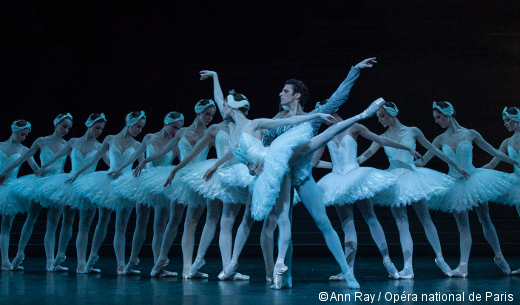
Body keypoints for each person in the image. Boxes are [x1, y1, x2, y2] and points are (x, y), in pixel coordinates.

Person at [310, 103, 422, 280]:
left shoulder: (353, 126)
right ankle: (348, 269)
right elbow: (314, 162)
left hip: (356, 176)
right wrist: (331, 165)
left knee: (370, 217)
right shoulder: (325, 135)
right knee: (347, 223)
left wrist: (407, 148)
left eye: (324, 114)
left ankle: (387, 259)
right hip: (337, 179)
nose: (322, 119)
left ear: (334, 111)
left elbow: (381, 140)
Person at [358, 101, 468, 278]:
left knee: (425, 217)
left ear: (392, 113)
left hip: (413, 178)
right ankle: (408, 266)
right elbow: (367, 154)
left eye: (382, 116)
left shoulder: (412, 131)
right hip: (394, 180)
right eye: (378, 117)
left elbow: (434, 150)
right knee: (401, 223)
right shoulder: (382, 137)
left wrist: (456, 166)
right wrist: (348, 165)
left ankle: (440, 258)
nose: (380, 120)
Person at [418, 101, 519, 277]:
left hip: (473, 181)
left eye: (439, 117)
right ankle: (463, 266)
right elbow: (424, 160)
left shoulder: (470, 134)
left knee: (485, 219)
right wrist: (404, 165)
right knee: (463, 225)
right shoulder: (440, 139)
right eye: (435, 118)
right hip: (455, 185)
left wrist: (516, 162)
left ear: (448, 114)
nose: (437, 121)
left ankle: (499, 256)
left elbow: (495, 153)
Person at [132, 100, 216, 278]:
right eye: (207, 114)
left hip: (200, 180)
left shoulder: (211, 133)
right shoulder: (183, 132)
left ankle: (187, 267)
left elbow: (226, 148)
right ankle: (161, 258)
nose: (209, 118)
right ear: (198, 113)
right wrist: (146, 160)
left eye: (212, 115)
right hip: (182, 179)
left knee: (191, 222)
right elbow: (165, 150)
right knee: (174, 219)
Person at [68, 111, 146, 275]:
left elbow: (141, 167)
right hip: (108, 183)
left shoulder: (139, 145)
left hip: (126, 184)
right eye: (138, 126)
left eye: (141, 127)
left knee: (121, 226)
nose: (140, 130)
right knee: (102, 220)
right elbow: (93, 158)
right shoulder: (110, 139)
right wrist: (77, 173)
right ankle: (90, 260)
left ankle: (121, 265)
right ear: (130, 123)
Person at [108, 111, 184, 277]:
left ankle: (158, 265)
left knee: (160, 225)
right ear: (166, 122)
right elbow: (136, 156)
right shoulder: (149, 137)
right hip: (146, 182)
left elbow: (183, 160)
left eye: (178, 128)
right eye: (174, 127)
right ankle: (132, 260)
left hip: (163, 185)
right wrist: (120, 168)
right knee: (141, 222)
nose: (175, 131)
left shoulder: (175, 144)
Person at [34, 113, 108, 272]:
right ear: (89, 125)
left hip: (89, 186)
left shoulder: (99, 146)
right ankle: (59, 255)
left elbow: (110, 161)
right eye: (97, 128)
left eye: (101, 129)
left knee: (84, 225)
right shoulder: (74, 142)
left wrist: (119, 169)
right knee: (67, 221)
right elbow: (58, 156)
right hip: (71, 184)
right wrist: (42, 167)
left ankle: (81, 263)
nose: (99, 131)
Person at [0, 114, 73, 271]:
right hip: (41, 184)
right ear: (56, 124)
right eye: (64, 126)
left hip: (57, 185)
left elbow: (78, 162)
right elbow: (23, 158)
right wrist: (6, 171)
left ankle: (50, 262)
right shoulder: (41, 141)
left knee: (52, 224)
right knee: (31, 218)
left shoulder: (67, 145)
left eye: (68, 127)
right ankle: (19, 254)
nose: (66, 130)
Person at [0, 120, 37, 270]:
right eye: (22, 134)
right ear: (14, 130)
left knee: (6, 225)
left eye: (25, 135)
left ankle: (4, 260)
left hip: (10, 189)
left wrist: (45, 172)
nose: (23, 137)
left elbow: (34, 166)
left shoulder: (24, 150)